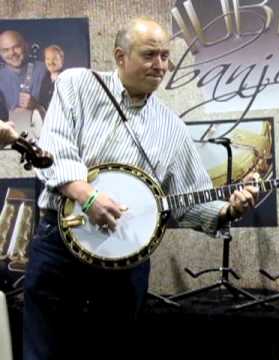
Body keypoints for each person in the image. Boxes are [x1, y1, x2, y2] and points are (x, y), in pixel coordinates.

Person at [23, 17, 258, 360]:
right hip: (59, 245)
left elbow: (187, 201)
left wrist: (229, 209)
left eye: (165, 56)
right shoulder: (77, 84)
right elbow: (55, 150)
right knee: (44, 352)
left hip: (126, 260)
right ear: (120, 56)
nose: (160, 65)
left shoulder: (172, 126)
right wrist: (87, 197)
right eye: (150, 55)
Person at [0, 30, 46, 115]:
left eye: (16, 47)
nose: (12, 53)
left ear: (25, 46)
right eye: (5, 50)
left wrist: (36, 106)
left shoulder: (44, 70)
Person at [38, 44, 64, 109]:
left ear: (62, 60)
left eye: (55, 59)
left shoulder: (67, 80)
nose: (50, 62)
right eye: (48, 59)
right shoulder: (44, 80)